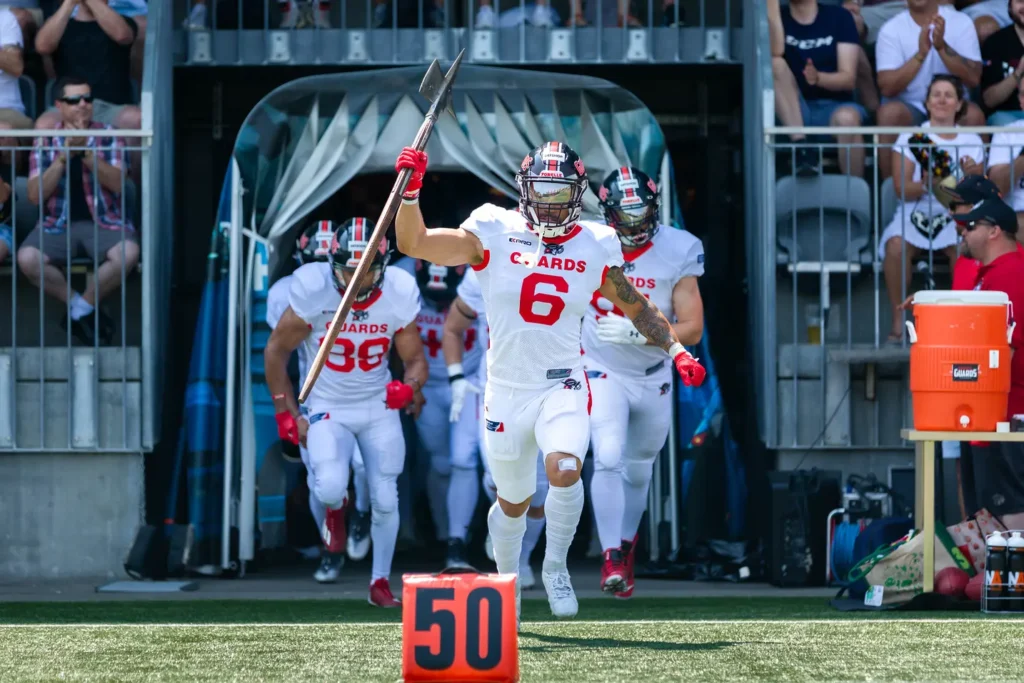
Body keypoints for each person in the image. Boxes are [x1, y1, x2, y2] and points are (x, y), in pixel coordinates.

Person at [394, 141, 706, 621]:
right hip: (505, 387)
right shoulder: (493, 229)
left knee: (564, 470)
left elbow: (636, 305)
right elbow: (415, 244)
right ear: (525, 189)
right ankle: (508, 581)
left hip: (562, 382)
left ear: (578, 194)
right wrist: (410, 194)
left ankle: (556, 566)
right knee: (513, 501)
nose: (551, 202)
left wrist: (677, 349)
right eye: (543, 190)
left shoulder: (597, 242)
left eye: (561, 192)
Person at [263, 218, 428, 607]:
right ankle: (336, 512)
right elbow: (275, 351)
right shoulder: (312, 289)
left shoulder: (398, 293)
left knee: (386, 497)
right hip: (326, 405)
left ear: (383, 266)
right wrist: (284, 413)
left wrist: (409, 387)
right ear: (331, 264)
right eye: (346, 269)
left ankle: (380, 582)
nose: (355, 279)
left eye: (365, 270)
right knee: (330, 486)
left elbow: (416, 360)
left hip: (376, 404)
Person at [585, 167, 705, 598]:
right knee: (608, 456)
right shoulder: (589, 242)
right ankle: (611, 556)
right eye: (626, 216)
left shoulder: (678, 248)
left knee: (638, 471)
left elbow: (691, 329)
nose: (634, 225)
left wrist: (642, 332)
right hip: (602, 367)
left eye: (642, 214)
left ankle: (626, 547)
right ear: (607, 214)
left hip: (654, 372)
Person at [265, 220, 373, 582]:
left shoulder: (381, 288)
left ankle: (362, 515)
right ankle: (331, 546)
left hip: (364, 392)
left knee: (368, 467)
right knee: (321, 481)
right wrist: (287, 410)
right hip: (318, 395)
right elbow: (280, 351)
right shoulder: (294, 291)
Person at [443, 267, 550, 589]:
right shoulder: (486, 270)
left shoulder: (575, 263)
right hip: (498, 386)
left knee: (542, 487)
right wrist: (456, 376)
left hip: (552, 385)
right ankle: (503, 526)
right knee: (499, 477)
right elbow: (452, 328)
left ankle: (524, 558)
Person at [16, 75, 135, 346]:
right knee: (27, 258)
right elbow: (34, 196)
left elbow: (117, 183)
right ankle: (82, 310)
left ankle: (80, 310)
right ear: (59, 105)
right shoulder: (45, 139)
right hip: (56, 224)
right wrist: (63, 157)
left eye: (87, 98)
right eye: (74, 100)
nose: (83, 104)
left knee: (129, 254)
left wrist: (86, 153)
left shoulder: (109, 135)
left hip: (105, 221)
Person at [879, 74, 984, 343]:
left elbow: (973, 195)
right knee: (895, 247)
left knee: (965, 250)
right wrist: (927, 185)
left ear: (959, 104)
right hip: (913, 211)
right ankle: (897, 321)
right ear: (926, 102)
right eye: (935, 94)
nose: (941, 100)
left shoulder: (972, 140)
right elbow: (902, 188)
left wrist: (971, 175)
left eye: (948, 95)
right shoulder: (912, 137)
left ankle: (959, 326)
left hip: (954, 214)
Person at [951, 195, 1024, 530]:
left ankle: (1014, 582)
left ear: (995, 231)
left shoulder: (1010, 273)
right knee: (995, 511)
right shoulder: (992, 273)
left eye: (972, 225)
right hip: (991, 413)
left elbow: (1005, 349)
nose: (963, 231)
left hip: (1006, 414)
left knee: (1009, 510)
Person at [410, 259, 485, 567]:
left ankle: (461, 539)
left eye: (446, 297)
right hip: (428, 385)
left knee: (464, 460)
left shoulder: (475, 289)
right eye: (434, 297)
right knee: (441, 463)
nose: (440, 304)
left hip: (468, 382)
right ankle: (444, 536)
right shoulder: (405, 288)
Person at [874, 0, 983, 179]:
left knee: (973, 115)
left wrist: (942, 47)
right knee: (889, 114)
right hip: (911, 107)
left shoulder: (960, 22)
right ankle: (891, 195)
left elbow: (973, 78)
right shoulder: (891, 29)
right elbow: (887, 87)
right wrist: (921, 54)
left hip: (952, 105)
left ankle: (980, 195)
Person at [773, 0, 866, 176]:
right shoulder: (779, 17)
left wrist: (818, 78)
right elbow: (774, 52)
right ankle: (802, 150)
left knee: (848, 119)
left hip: (834, 107)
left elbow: (848, 79)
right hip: (793, 110)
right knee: (776, 64)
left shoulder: (839, 17)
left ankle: (854, 194)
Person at [985, 83, 1024, 233]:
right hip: (1017, 215)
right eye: (1023, 94)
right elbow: (997, 189)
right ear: (1020, 101)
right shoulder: (1007, 133)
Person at [980, 0, 1024, 125]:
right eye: (1020, 1)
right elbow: (989, 100)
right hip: (1008, 115)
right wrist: (1019, 72)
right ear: (1010, 6)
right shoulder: (995, 43)